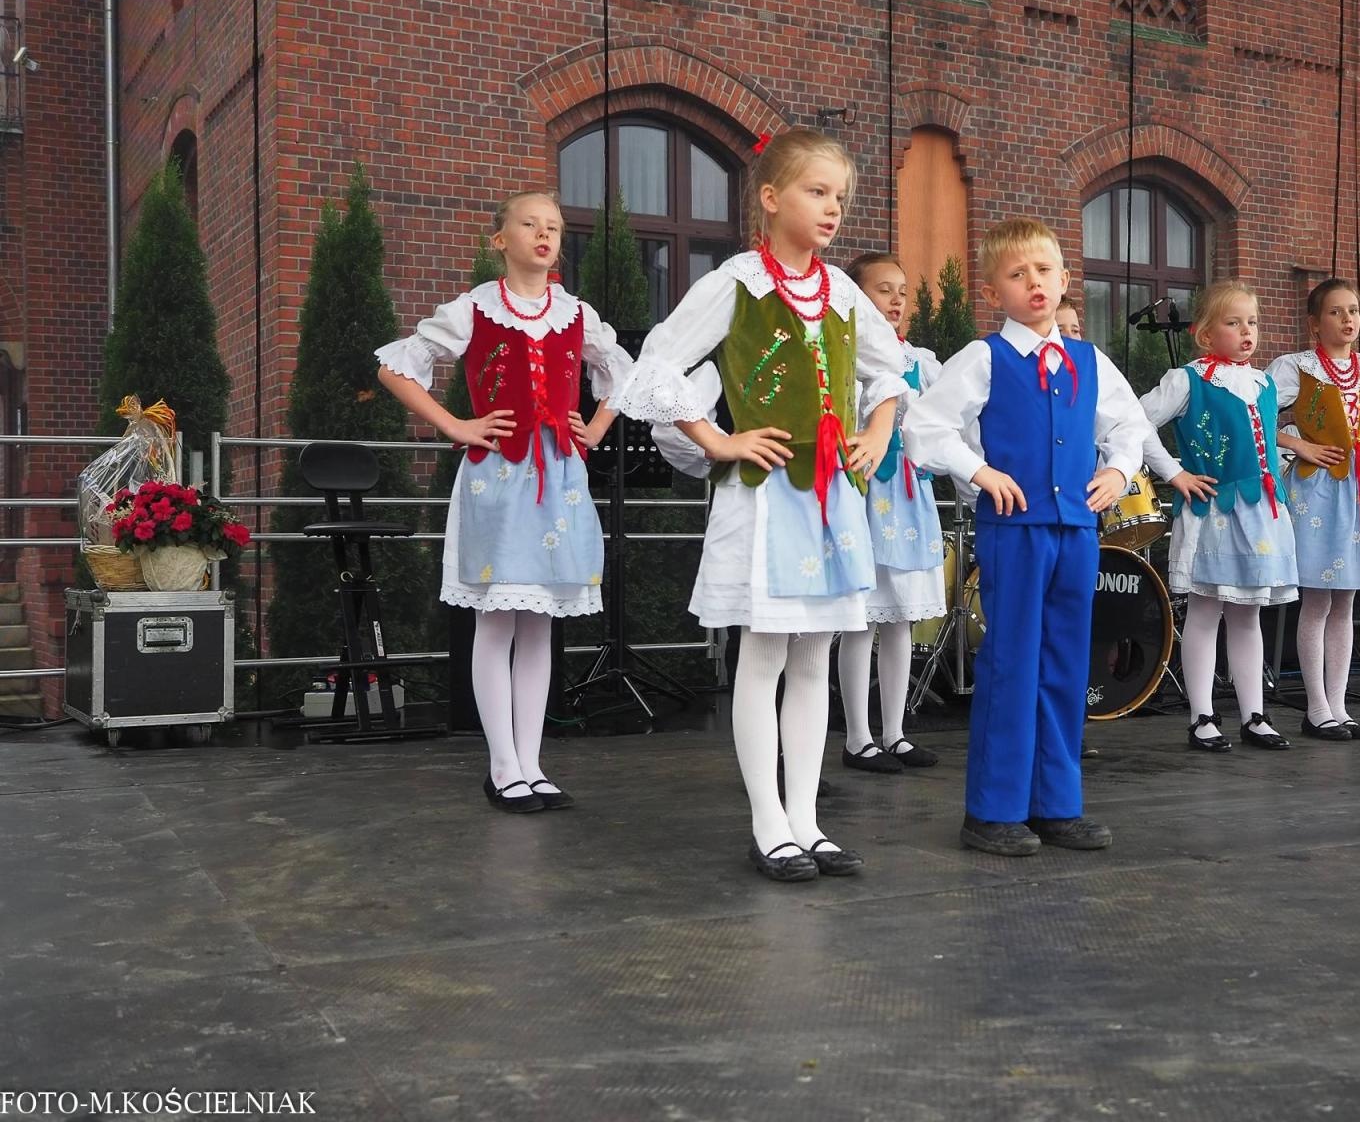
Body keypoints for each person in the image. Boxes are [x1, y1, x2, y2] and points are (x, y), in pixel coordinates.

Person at [610, 129, 910, 882]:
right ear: (771, 198)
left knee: (814, 657)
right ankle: (767, 820)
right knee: (766, 654)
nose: (832, 208)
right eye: (816, 192)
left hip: (830, 498)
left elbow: (892, 373)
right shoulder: (737, 284)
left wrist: (876, 430)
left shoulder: (842, 292)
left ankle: (808, 819)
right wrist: (716, 439)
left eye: (840, 196)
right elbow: (654, 368)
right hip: (768, 496)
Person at [375, 191, 633, 811]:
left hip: (561, 478)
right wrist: (458, 426)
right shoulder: (474, 309)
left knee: (539, 622)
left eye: (554, 227)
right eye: (530, 224)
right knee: (495, 620)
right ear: (501, 239)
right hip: (498, 476)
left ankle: (532, 762)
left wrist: (595, 430)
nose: (545, 235)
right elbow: (396, 366)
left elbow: (625, 372)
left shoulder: (575, 313)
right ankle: (502, 764)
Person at [903, 219, 1151, 857]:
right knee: (1011, 662)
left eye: (1043, 271)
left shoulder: (1089, 360)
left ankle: (1056, 804)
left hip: (1077, 533)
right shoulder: (986, 357)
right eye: (1018, 274)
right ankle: (992, 810)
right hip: (1014, 532)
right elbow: (924, 427)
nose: (1033, 283)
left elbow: (1131, 424)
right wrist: (978, 471)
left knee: (1068, 665)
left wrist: (1119, 471)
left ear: (1066, 281)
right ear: (994, 290)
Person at [1139, 280, 1299, 752]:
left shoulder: (1265, 383)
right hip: (1214, 512)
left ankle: (1253, 714)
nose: (1247, 331)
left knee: (1248, 616)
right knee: (1206, 612)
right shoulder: (1188, 380)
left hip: (1261, 513)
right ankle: (1202, 715)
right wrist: (1173, 472)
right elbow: (1135, 419)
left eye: (1252, 322)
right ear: (1206, 335)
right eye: (1233, 323)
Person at [1267, 277, 1360, 740]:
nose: (1348, 319)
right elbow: (1259, 417)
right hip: (1315, 491)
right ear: (1314, 323)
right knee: (1318, 598)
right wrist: (1297, 444)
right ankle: (1315, 706)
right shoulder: (1296, 367)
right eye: (1336, 312)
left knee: (1345, 598)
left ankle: (1340, 705)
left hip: (1357, 489)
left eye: (1353, 311)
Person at [835, 252, 947, 773]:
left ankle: (896, 732)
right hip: (862, 494)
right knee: (860, 620)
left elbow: (945, 426)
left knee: (899, 618)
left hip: (907, 495)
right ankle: (858, 737)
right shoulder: (846, 358)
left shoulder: (923, 362)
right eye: (884, 290)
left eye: (902, 290)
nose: (898, 300)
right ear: (858, 297)